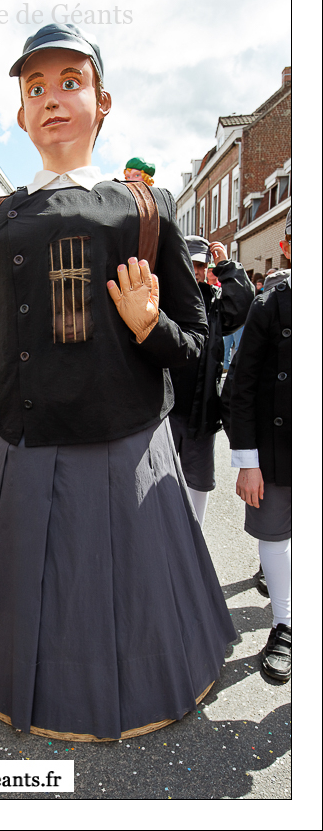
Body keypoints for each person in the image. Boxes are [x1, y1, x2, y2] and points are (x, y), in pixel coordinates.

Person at [0, 23, 236, 741]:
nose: (51, 99)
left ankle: (152, 682)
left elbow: (195, 345)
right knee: (31, 598)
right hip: (25, 451)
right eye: (35, 88)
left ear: (102, 102)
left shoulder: (144, 209)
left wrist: (148, 326)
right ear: (21, 113)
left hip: (126, 450)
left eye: (70, 82)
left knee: (136, 597)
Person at [224, 208, 292, 682]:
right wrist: (248, 462)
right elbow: (241, 386)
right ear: (286, 248)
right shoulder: (270, 305)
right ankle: (285, 625)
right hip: (279, 449)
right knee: (276, 537)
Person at [168, 237, 254, 527]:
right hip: (162, 411)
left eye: (200, 265)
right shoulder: (163, 296)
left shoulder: (215, 303)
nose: (194, 270)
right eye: (189, 263)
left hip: (201, 413)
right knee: (157, 482)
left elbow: (243, 305)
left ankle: (195, 543)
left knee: (198, 483)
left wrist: (227, 266)